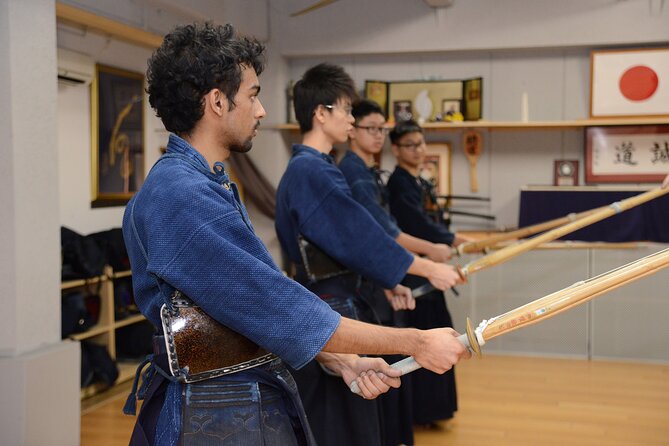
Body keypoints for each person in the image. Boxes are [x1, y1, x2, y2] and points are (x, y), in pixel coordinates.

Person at [122, 24, 470, 446]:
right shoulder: (181, 195)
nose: (262, 110)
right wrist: (413, 341)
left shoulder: (200, 184)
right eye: (252, 95)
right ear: (217, 101)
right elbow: (275, 304)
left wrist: (338, 358)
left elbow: (252, 305)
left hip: (230, 403)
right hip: (212, 416)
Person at [274, 63, 466, 446]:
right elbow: (361, 237)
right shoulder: (310, 171)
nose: (350, 118)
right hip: (332, 304)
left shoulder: (317, 169)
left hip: (344, 296)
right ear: (321, 113)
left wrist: (390, 279)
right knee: (345, 423)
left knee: (362, 418)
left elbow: (357, 239)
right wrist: (426, 266)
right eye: (345, 109)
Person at [339, 99, 457, 445]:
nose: (377, 135)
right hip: (356, 285)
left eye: (381, 129)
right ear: (351, 130)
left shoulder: (365, 172)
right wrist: (424, 261)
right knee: (382, 367)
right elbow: (374, 234)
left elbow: (381, 230)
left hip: (380, 277)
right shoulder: (348, 173)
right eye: (370, 128)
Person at [386, 119, 465, 428]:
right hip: (413, 272)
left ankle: (434, 409)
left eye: (421, 144)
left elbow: (431, 221)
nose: (419, 150)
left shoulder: (417, 181)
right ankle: (423, 411)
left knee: (441, 331)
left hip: (427, 270)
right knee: (427, 336)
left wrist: (449, 238)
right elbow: (415, 225)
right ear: (396, 149)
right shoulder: (399, 183)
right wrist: (449, 241)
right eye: (411, 145)